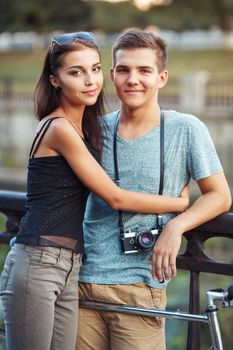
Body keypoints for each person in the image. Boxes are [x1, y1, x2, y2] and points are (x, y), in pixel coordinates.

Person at [0, 32, 189, 350]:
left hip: (71, 266)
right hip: (38, 263)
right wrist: (179, 203)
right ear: (55, 80)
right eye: (76, 72)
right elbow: (114, 196)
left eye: (95, 69)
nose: (90, 80)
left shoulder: (85, 128)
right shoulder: (59, 128)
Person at [76, 28, 232, 350]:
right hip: (82, 285)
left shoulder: (185, 129)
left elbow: (220, 195)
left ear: (161, 77)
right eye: (124, 70)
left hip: (141, 286)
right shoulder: (92, 129)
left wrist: (178, 225)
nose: (133, 79)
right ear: (112, 75)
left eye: (144, 70)